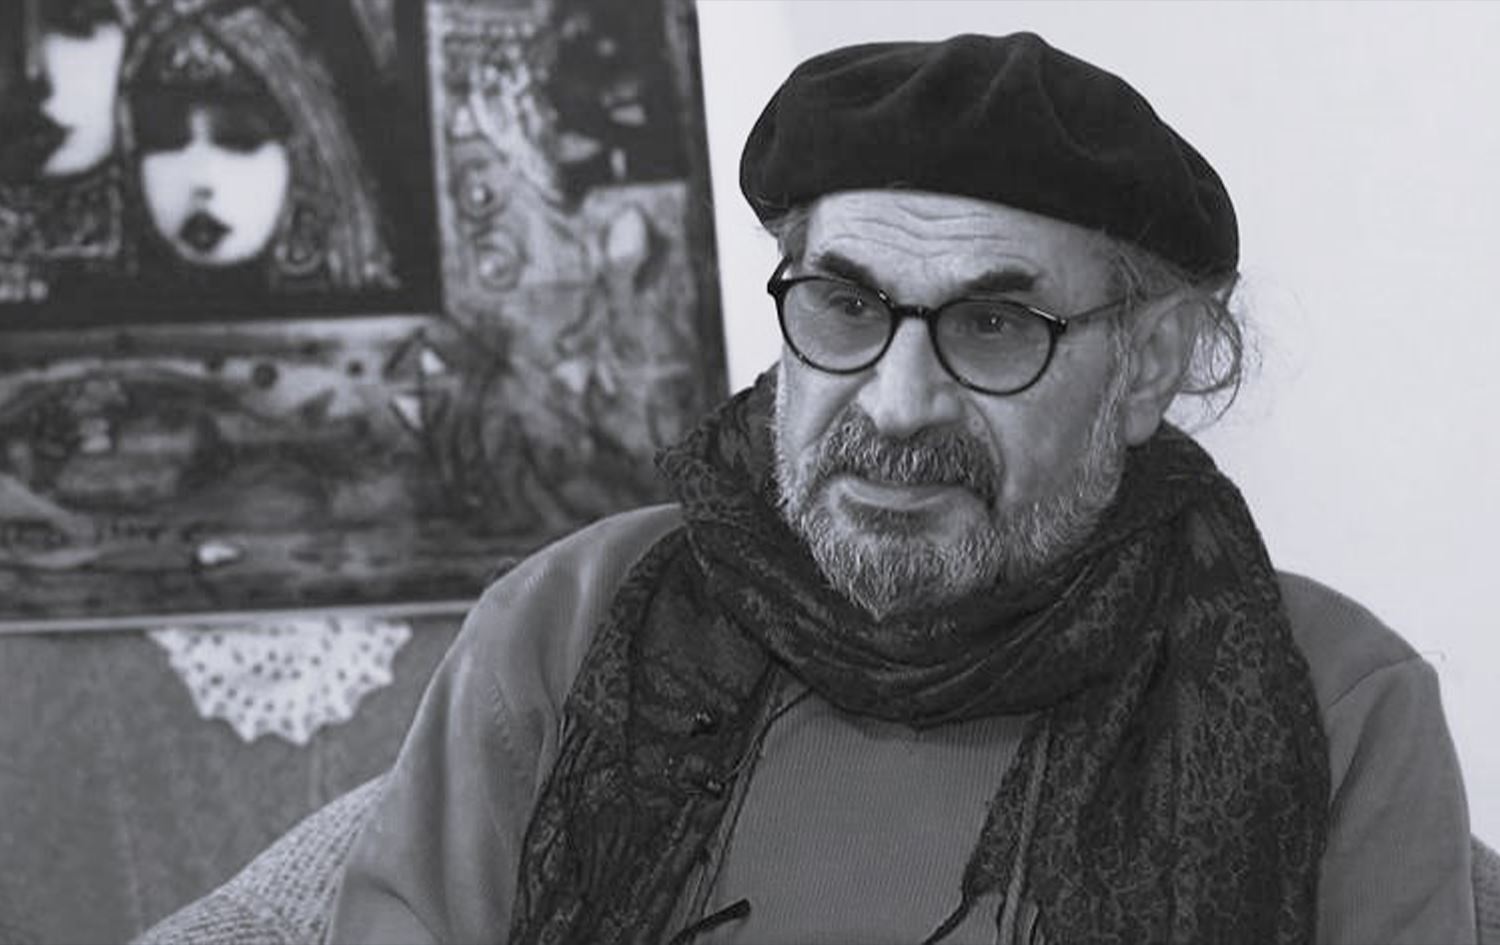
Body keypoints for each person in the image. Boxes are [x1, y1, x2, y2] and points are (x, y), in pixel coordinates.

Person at [326, 32, 1473, 945]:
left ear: (1148, 367)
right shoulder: (568, 623)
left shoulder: (1338, 701)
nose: (898, 402)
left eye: (993, 325)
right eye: (846, 307)